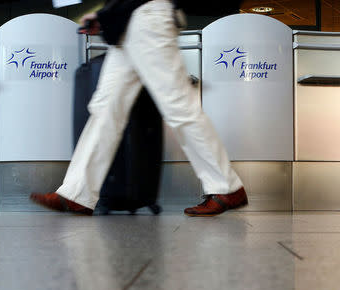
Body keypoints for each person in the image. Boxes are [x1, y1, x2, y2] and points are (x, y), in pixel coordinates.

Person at [31, 0, 248, 217]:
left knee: (179, 107)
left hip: (148, 18)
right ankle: (77, 194)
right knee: (105, 110)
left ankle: (226, 187)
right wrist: (105, 15)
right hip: (127, 24)